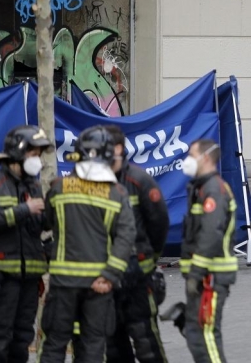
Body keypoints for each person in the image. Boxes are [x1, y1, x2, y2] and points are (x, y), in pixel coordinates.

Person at [38, 126, 136, 362]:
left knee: (54, 344)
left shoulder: (59, 188)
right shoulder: (117, 194)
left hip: (63, 282)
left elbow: (46, 222)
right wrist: (110, 275)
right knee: (92, 345)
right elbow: (126, 237)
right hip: (99, 284)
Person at [0, 125, 52, 363]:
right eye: (33, 153)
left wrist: (54, 210)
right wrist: (24, 209)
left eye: (39, 154)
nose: (37, 159)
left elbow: (40, 227)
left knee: (21, 339)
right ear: (18, 152)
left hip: (30, 277)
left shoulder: (34, 186)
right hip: (1, 276)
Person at [104, 126, 170, 363]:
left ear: (119, 149)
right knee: (112, 344)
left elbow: (159, 222)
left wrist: (149, 258)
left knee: (146, 341)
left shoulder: (139, 180)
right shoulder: (95, 182)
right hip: (107, 276)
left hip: (138, 276)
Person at [179, 139, 238, 363]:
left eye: (191, 155)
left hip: (209, 277)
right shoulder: (203, 188)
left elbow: (210, 234)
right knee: (198, 334)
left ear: (204, 158)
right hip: (205, 276)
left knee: (206, 336)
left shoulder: (213, 190)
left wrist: (195, 273)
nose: (187, 161)